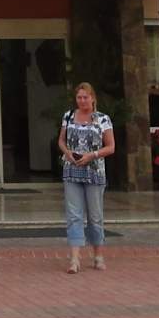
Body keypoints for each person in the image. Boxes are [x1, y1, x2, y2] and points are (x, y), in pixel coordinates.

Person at [57, 82, 115, 273]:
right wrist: (67, 152)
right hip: (72, 171)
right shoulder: (68, 116)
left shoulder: (102, 119)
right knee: (74, 215)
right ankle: (74, 259)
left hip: (94, 172)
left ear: (93, 98)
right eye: (79, 97)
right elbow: (61, 140)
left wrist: (92, 155)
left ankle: (98, 255)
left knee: (95, 216)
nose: (82, 101)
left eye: (85, 97)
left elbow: (111, 146)